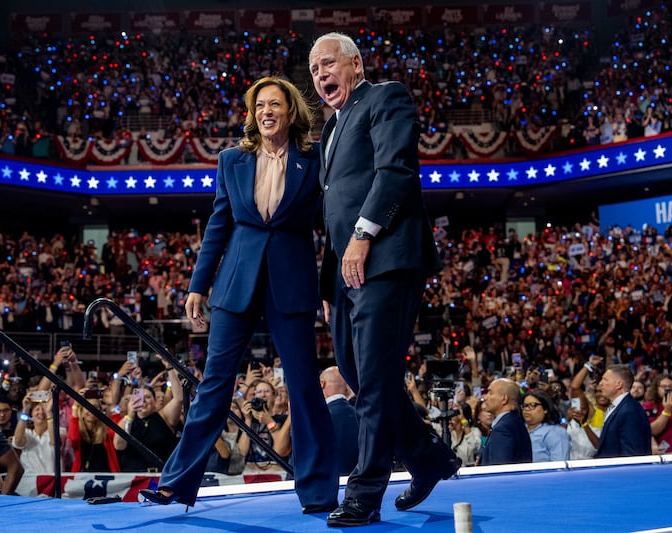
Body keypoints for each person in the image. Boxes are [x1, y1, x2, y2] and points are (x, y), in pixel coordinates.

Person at [139, 76, 338, 514]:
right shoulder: (231, 160)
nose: (267, 111)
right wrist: (197, 284)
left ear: (291, 112)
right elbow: (218, 225)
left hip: (293, 287)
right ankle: (175, 484)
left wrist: (328, 288)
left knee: (305, 388)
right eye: (259, 105)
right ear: (252, 114)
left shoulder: (314, 157)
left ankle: (320, 492)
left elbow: (332, 227)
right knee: (214, 385)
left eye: (275, 104)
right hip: (235, 286)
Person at [310, 32, 458, 527]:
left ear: (354, 63)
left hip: (386, 258)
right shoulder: (330, 128)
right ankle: (429, 457)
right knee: (358, 375)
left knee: (374, 378)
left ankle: (365, 492)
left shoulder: (385, 96)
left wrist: (362, 235)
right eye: (313, 70)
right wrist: (330, 282)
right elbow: (330, 211)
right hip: (344, 273)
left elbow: (395, 171)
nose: (320, 75)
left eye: (327, 64)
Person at [595, 366, 652, 458]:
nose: (601, 383)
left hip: (620, 471)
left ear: (618, 384)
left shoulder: (630, 411)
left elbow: (633, 455)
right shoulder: (621, 407)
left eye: (605, 380)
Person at [479, 379, 532, 465]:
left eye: (490, 393)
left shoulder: (503, 429)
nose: (485, 397)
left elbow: (499, 471)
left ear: (504, 399)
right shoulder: (515, 421)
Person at [320, 366, 359, 476]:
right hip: (358, 486)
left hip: (327, 488)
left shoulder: (317, 420)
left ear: (321, 383)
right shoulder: (363, 417)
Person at [522, 390, 570, 462]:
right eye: (524, 405)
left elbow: (559, 465)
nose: (526, 409)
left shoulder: (555, 433)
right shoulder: (519, 430)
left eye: (532, 405)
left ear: (545, 409)